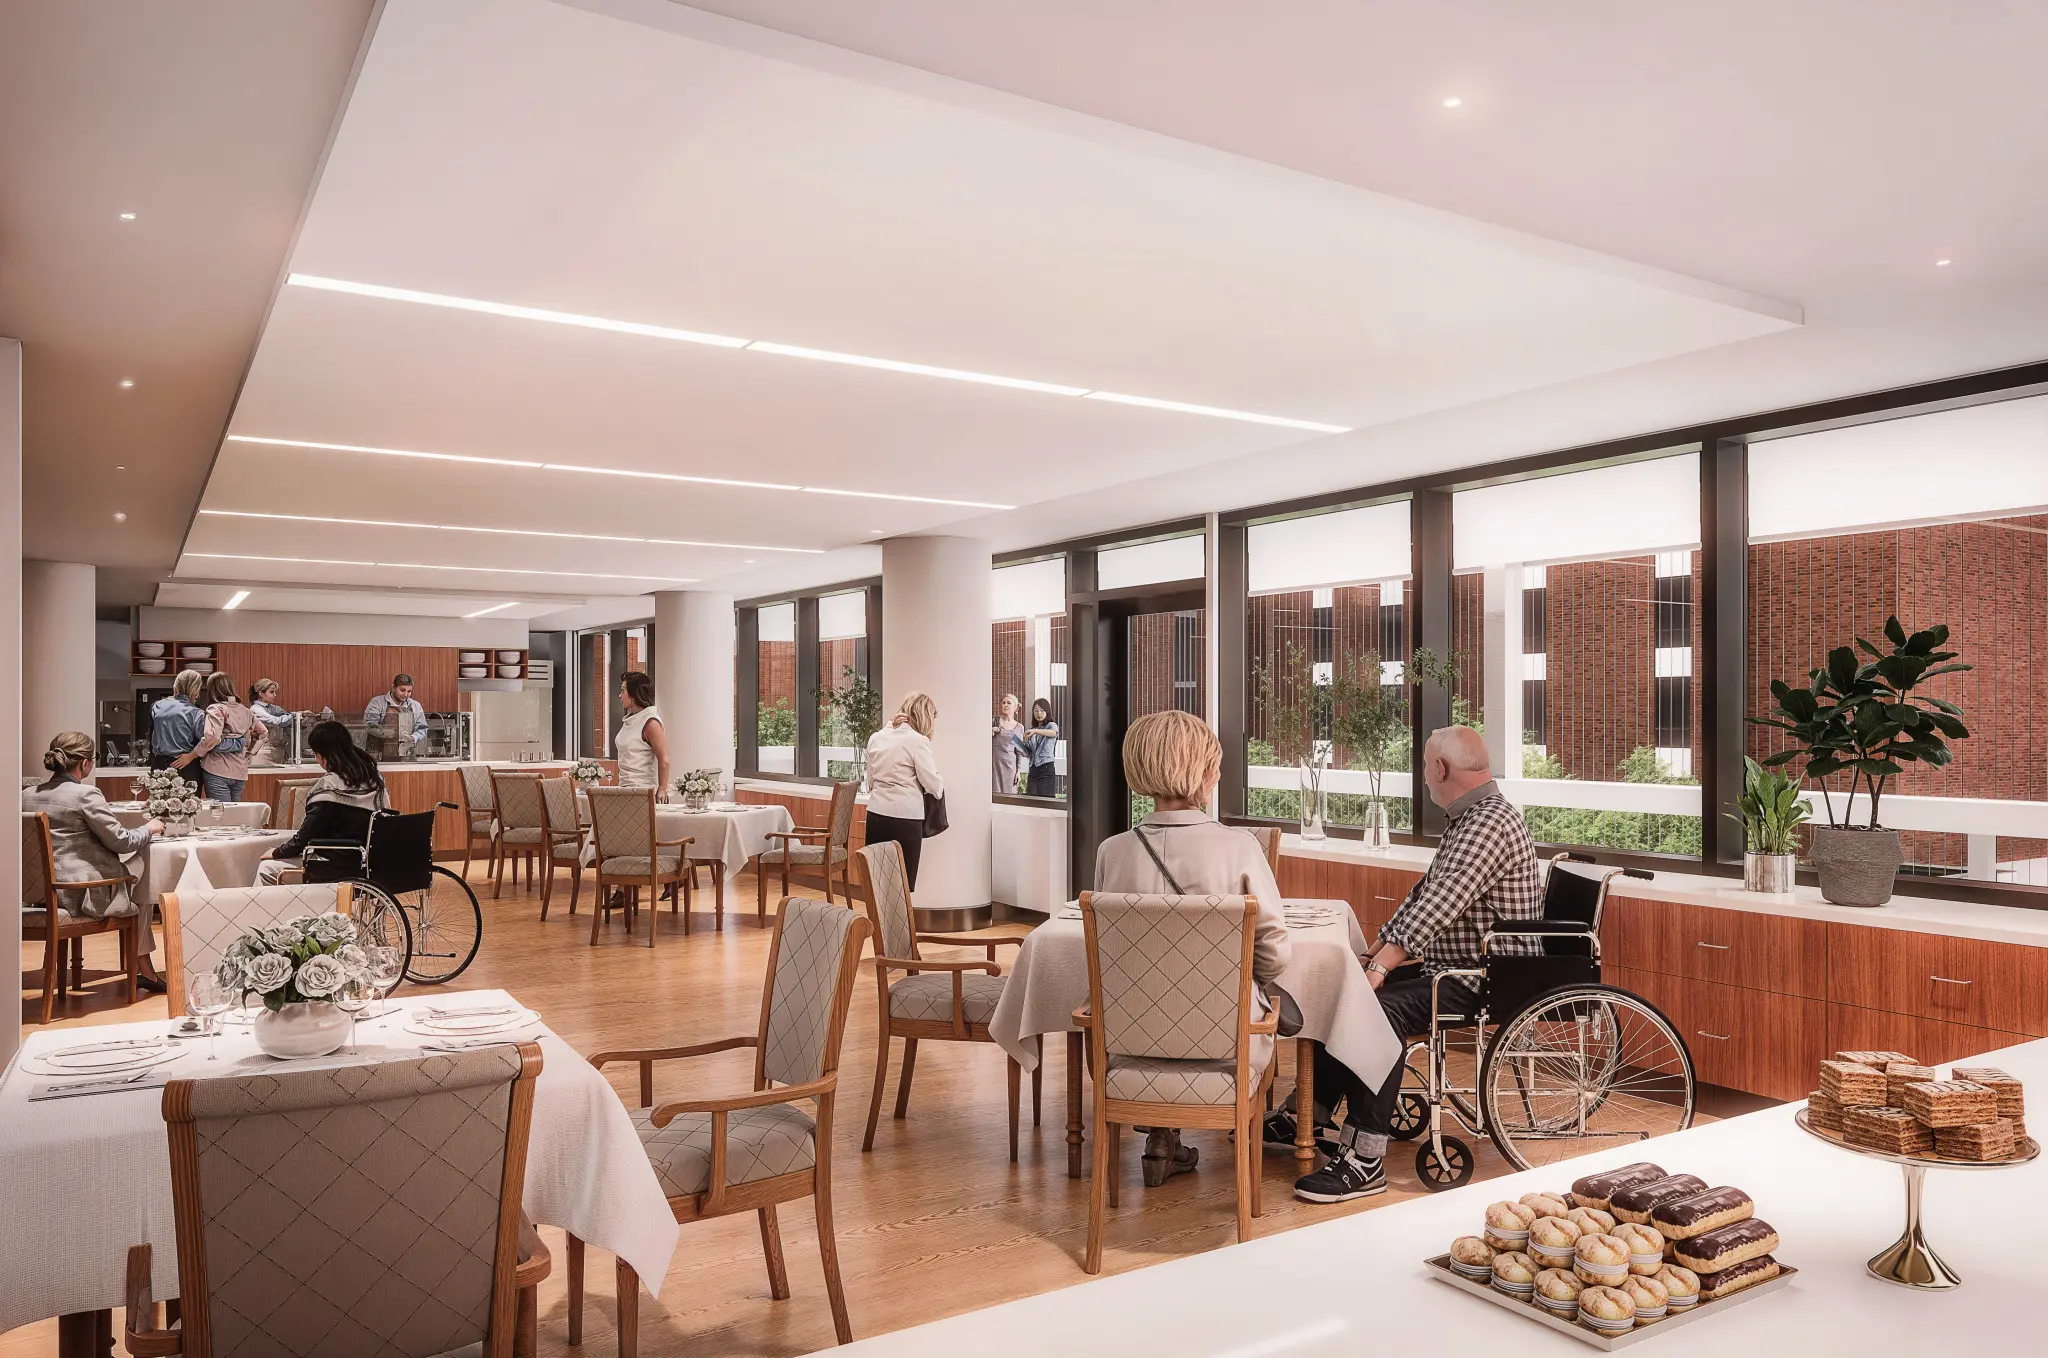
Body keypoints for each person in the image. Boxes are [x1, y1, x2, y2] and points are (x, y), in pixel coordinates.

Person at [1280, 725, 1540, 1204]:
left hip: (1487, 976)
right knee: (1345, 987)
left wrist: (1379, 969)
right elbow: (1423, 896)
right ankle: (1306, 1115)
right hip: (1454, 965)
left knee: (1377, 1011)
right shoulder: (1472, 816)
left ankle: (1364, 1158)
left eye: (1424, 766)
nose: (1422, 776)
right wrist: (1371, 955)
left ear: (1440, 769)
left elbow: (1440, 903)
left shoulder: (1488, 823)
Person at [1092, 709, 1292, 1188]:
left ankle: (1161, 1136)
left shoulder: (1111, 852)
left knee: (1157, 1003)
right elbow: (1275, 952)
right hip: (1225, 1039)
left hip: (1132, 1041)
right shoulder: (1240, 848)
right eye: (1214, 765)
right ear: (1201, 772)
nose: (1218, 774)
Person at [25, 730, 168, 992]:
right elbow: (122, 841)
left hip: (35, 897)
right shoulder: (86, 795)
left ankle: (142, 966)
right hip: (79, 896)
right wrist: (150, 828)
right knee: (147, 866)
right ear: (85, 764)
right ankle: (143, 966)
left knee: (137, 875)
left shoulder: (26, 795)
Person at [260, 721, 389, 884]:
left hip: (330, 865)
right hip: (371, 865)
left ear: (323, 755)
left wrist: (277, 852)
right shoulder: (376, 780)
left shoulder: (328, 787)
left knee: (266, 868)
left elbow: (305, 837)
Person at [864, 692, 943, 889]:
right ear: (925, 716)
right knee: (902, 884)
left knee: (878, 880)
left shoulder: (876, 737)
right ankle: (900, 921)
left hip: (875, 814)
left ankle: (876, 920)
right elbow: (932, 785)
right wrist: (939, 782)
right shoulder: (918, 741)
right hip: (905, 818)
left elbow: (871, 780)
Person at [176, 671, 261, 803]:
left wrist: (192, 754)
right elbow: (263, 732)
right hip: (239, 772)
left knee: (221, 817)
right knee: (235, 815)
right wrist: (249, 752)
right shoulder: (245, 710)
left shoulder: (216, 709)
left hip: (217, 771)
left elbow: (212, 737)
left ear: (211, 690)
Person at [148, 669, 208, 787]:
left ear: (176, 686)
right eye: (198, 690)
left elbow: (151, 735)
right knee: (189, 805)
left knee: (158, 804)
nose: (198, 695)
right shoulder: (196, 713)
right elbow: (205, 742)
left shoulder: (157, 706)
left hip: (159, 766)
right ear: (195, 690)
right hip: (186, 766)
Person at [614, 670, 669, 797]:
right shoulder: (630, 720)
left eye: (623, 691)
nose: (619, 696)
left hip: (642, 791)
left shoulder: (651, 722)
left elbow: (664, 759)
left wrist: (662, 789)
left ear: (634, 696)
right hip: (624, 788)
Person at [363, 673, 426, 758]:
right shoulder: (377, 702)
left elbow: (423, 728)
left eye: (409, 691)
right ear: (393, 687)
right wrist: (390, 733)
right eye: (402, 690)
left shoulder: (416, 705)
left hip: (407, 755)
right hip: (378, 754)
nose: (406, 694)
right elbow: (369, 725)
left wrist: (413, 738)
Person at [248, 678, 292, 765]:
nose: (275, 695)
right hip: (263, 751)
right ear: (261, 693)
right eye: (272, 692)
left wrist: (302, 717)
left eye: (275, 692)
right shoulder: (255, 709)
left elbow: (289, 720)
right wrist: (295, 715)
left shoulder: (275, 708)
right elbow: (275, 721)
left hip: (278, 752)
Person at [1022, 698, 1060, 797]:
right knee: (1031, 802)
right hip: (1032, 770)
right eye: (1036, 710)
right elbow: (1029, 752)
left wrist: (1035, 731)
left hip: (1046, 769)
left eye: (1042, 710)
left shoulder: (1051, 725)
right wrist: (1023, 744)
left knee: (1046, 803)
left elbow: (1053, 733)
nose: (1039, 713)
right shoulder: (1031, 730)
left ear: (1047, 711)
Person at [991, 693, 1025, 794]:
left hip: (1010, 768)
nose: (1005, 705)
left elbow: (1019, 752)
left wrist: (1018, 771)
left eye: (1009, 703)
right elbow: (980, 740)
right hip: (993, 766)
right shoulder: (993, 721)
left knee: (1009, 799)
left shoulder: (1019, 727)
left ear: (1015, 707)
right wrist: (990, 731)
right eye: (1003, 703)